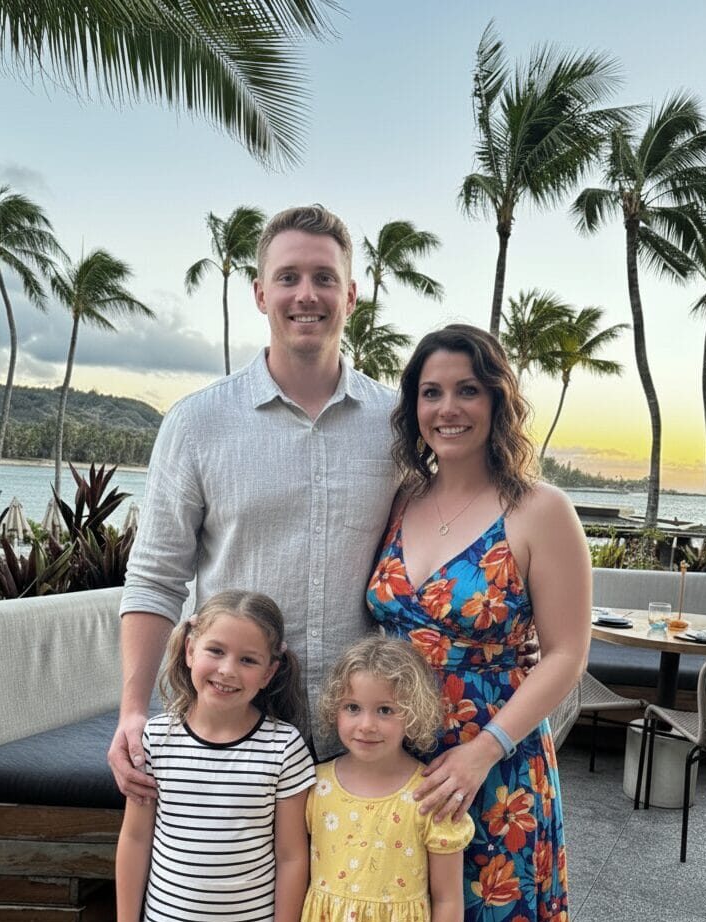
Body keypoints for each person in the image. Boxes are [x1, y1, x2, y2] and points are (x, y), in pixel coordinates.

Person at [110, 205, 398, 800]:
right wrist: (133, 711)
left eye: (324, 278)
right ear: (260, 292)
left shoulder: (397, 424)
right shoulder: (197, 422)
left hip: (364, 729)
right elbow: (155, 576)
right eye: (288, 277)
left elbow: (442, 543)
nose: (306, 294)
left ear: (352, 294)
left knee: (359, 896)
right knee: (225, 891)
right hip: (229, 725)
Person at [366, 325, 591, 921]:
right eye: (431, 392)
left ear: (497, 400)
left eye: (467, 390)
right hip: (395, 753)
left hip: (495, 763)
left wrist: (482, 753)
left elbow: (568, 654)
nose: (448, 409)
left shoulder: (541, 510)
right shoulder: (400, 499)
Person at [115, 589, 316, 922]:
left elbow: (291, 856)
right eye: (216, 650)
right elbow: (136, 839)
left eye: (248, 660)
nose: (227, 670)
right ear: (191, 650)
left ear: (268, 673)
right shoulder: (155, 741)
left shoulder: (284, 747)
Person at [303, 636, 474, 922]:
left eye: (385, 710)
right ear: (335, 709)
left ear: (413, 712)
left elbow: (448, 899)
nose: (367, 725)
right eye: (352, 707)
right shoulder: (315, 787)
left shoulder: (431, 794)